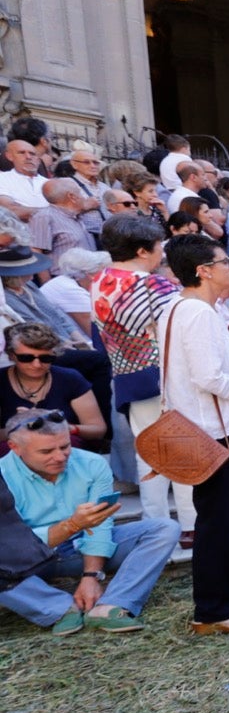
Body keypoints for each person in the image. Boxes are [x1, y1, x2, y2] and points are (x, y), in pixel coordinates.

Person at [156, 234, 229, 635]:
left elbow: (228, 365)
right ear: (203, 271)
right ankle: (212, 610)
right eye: (226, 262)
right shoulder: (197, 313)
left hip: (219, 429)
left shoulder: (200, 309)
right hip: (209, 431)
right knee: (218, 519)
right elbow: (207, 377)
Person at [0, 408, 179, 633]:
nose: (60, 456)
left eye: (65, 447)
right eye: (46, 451)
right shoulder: (2, 474)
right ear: (15, 448)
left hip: (80, 547)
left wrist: (91, 576)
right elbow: (14, 547)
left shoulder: (92, 463)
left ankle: (112, 605)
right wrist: (72, 525)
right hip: (27, 562)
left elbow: (101, 524)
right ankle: (59, 609)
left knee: (164, 529)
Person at [88, 213, 193, 544]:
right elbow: (186, 330)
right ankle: (190, 523)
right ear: (143, 250)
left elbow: (97, 336)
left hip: (127, 376)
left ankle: (156, 524)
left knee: (147, 453)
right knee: (182, 451)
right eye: (159, 245)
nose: (162, 251)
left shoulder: (100, 280)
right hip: (164, 377)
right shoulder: (153, 286)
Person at [0, 323, 105, 446]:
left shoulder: (69, 378)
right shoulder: (2, 381)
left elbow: (98, 429)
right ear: (12, 356)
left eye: (45, 359)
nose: (36, 365)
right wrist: (18, 426)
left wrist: (67, 427)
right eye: (26, 358)